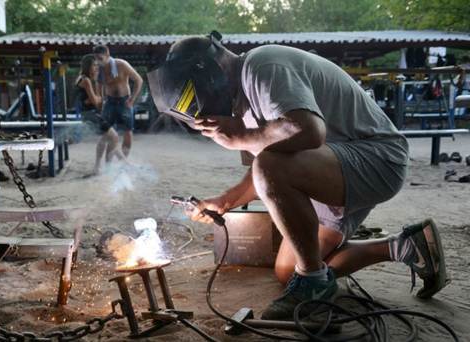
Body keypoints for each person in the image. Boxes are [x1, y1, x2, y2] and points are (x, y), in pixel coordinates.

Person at [148, 31, 448, 320]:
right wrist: (224, 201)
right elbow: (269, 171)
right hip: (331, 170)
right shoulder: (242, 103)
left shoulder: (263, 65)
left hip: (376, 160)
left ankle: (315, 283)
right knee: (288, 271)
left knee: (304, 260)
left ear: (209, 71)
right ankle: (406, 246)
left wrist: (241, 137)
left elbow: (306, 131)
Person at [76, 54, 127, 175]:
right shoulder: (87, 80)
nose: (96, 68)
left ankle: (99, 167)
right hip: (90, 115)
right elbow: (94, 100)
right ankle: (119, 164)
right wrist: (98, 98)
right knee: (114, 136)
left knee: (106, 138)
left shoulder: (80, 78)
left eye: (97, 66)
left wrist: (93, 99)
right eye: (94, 66)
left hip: (87, 114)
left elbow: (88, 99)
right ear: (88, 66)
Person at [93, 45, 143, 158]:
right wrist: (99, 110)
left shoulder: (121, 64)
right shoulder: (99, 70)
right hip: (110, 102)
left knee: (128, 134)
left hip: (125, 101)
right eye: (96, 59)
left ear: (108, 56)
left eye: (100, 59)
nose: (98, 62)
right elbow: (99, 92)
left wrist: (132, 100)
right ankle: (108, 165)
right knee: (107, 135)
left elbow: (138, 80)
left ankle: (124, 162)